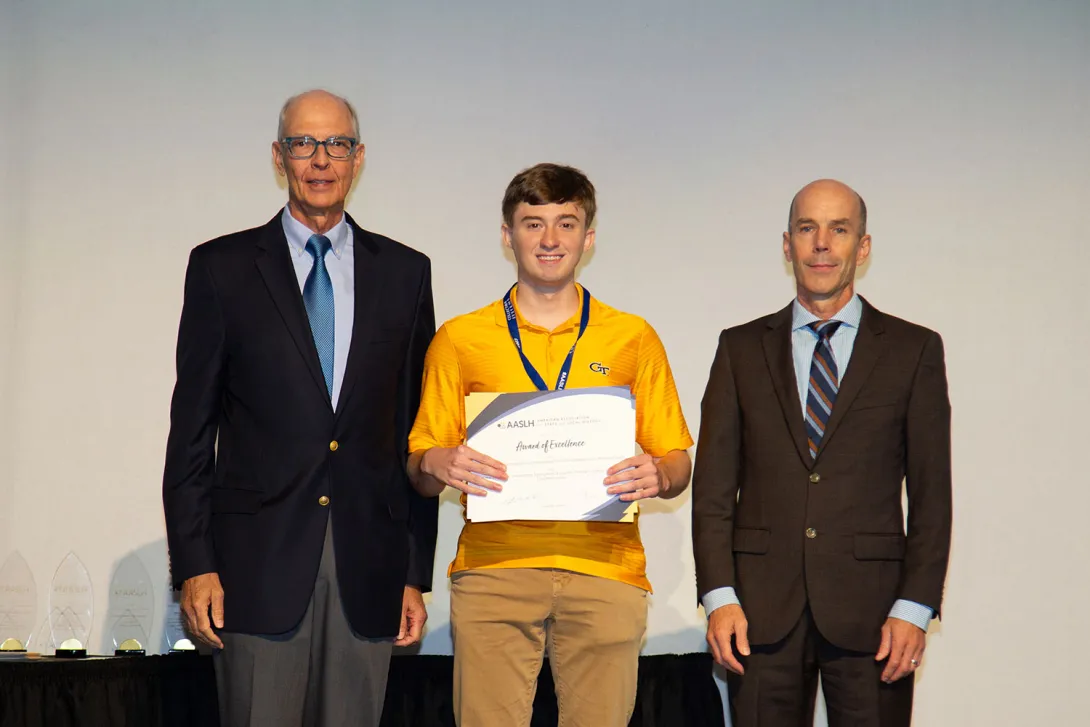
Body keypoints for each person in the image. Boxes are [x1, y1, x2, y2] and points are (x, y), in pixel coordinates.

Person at [162, 89, 437, 727]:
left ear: (358, 157)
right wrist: (196, 564)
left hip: (368, 571)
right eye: (303, 144)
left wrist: (413, 572)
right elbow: (191, 432)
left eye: (336, 144)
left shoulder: (405, 273)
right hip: (254, 569)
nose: (320, 159)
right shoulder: (220, 268)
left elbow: (414, 432)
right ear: (279, 156)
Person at [406, 163, 693, 727]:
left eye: (566, 223)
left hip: (606, 570)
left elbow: (678, 461)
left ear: (588, 238)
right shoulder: (460, 340)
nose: (550, 239)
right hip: (494, 569)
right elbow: (420, 466)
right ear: (507, 235)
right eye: (532, 223)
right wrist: (439, 461)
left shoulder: (633, 337)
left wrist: (658, 475)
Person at [692, 179, 952, 726]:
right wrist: (719, 597)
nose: (821, 244)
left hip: (876, 616)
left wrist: (914, 608)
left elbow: (932, 497)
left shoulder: (914, 350)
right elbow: (713, 490)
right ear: (787, 245)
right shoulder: (739, 349)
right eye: (807, 229)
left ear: (863, 247)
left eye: (839, 230)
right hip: (756, 615)